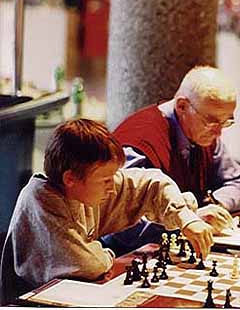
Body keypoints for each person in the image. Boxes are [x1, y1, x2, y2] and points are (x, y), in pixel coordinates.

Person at [0, 119, 213, 305]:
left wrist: (187, 219)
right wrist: (106, 253)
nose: (112, 187)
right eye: (105, 180)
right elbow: (86, 265)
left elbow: (151, 182)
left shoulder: (84, 188)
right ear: (70, 178)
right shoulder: (43, 201)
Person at [100, 66, 240, 256]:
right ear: (182, 106)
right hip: (126, 258)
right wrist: (186, 219)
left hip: (176, 250)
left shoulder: (204, 135)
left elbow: (239, 183)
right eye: (211, 122)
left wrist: (215, 204)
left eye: (226, 122)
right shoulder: (139, 144)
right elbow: (119, 229)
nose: (219, 132)